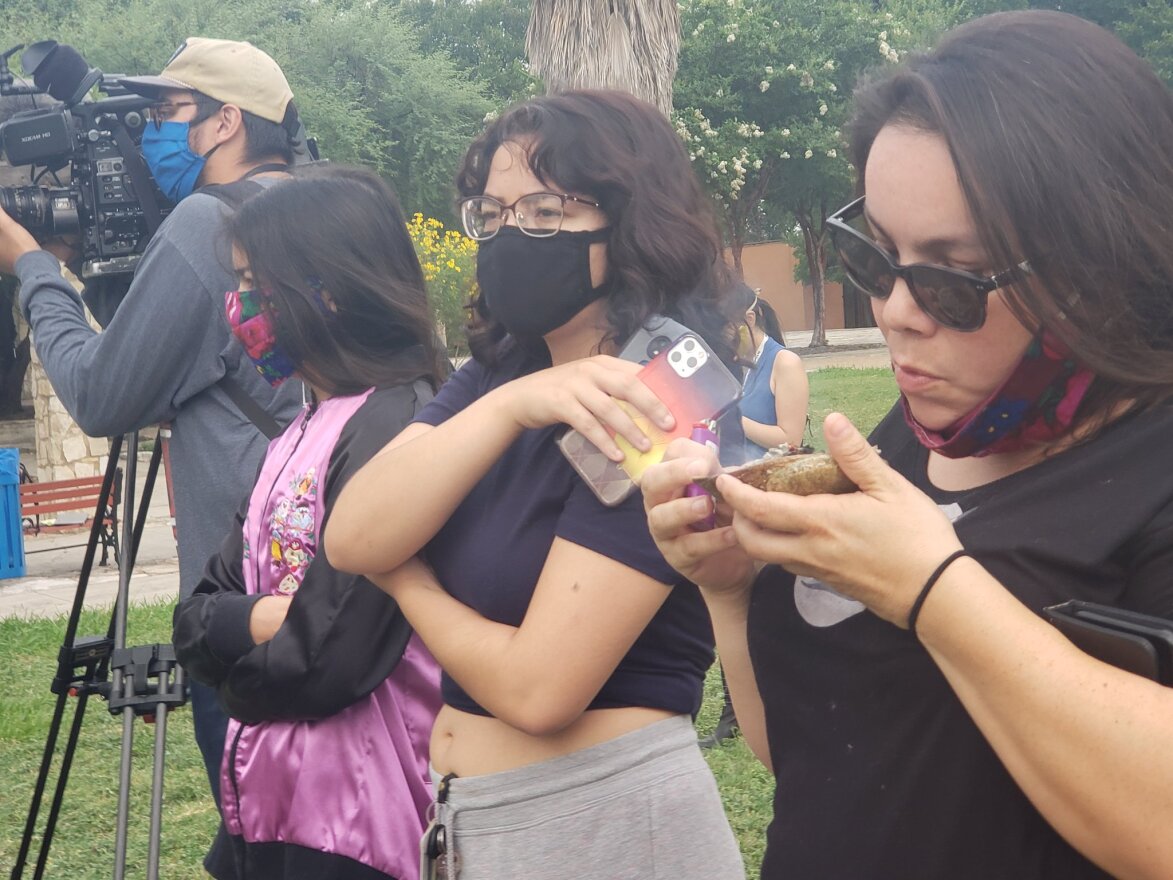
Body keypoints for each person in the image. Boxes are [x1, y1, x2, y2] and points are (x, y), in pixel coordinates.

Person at [642, 11, 1173, 880]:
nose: (895, 308)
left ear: (1100, 259)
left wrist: (930, 587)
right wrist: (732, 594)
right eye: (876, 257)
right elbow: (815, 762)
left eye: (950, 278)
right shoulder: (904, 442)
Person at [325, 90, 745, 879]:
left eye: (546, 211)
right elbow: (352, 536)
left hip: (600, 823)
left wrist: (407, 584)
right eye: (492, 212)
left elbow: (538, 688)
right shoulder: (505, 369)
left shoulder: (662, 397)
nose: (513, 234)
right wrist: (513, 406)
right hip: (474, 821)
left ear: (625, 222)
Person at [0, 37, 305, 804]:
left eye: (167, 111)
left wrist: (34, 266)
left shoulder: (209, 224)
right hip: (325, 585)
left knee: (258, 833)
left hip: (239, 604)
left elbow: (104, 397)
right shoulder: (325, 210)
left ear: (226, 120)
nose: (152, 129)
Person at [172, 166, 446, 880]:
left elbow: (333, 655)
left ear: (328, 290)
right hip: (269, 801)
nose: (242, 306)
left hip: (361, 820)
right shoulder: (301, 426)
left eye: (256, 283)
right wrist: (267, 619)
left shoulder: (398, 421)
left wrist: (234, 674)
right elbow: (196, 613)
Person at [735, 286, 809, 460]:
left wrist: (733, 420)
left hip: (769, 477)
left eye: (727, 329)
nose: (723, 338)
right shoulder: (735, 362)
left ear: (749, 319)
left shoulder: (786, 363)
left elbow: (791, 440)